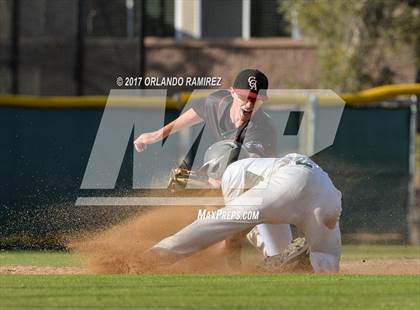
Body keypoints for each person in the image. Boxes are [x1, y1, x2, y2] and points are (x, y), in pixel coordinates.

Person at [134, 69, 293, 265]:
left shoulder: (262, 130)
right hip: (232, 184)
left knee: (282, 257)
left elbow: (244, 174)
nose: (250, 104)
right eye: (245, 96)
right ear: (232, 92)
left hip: (261, 192)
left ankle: (263, 258)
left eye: (256, 99)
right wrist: (156, 135)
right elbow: (196, 113)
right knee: (210, 212)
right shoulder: (217, 103)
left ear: (264, 100)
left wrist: (206, 181)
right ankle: (223, 266)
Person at [143, 141, 342, 273]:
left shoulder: (234, 170)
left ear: (220, 165)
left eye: (210, 173)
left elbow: (233, 233)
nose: (209, 180)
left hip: (290, 180)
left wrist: (235, 270)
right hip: (327, 194)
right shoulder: (261, 175)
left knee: (216, 223)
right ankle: (303, 263)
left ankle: (156, 256)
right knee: (326, 260)